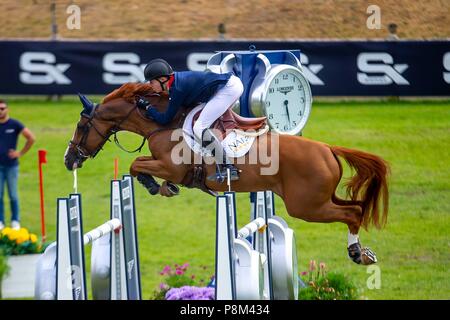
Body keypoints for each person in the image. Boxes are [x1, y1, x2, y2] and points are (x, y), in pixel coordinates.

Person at [139, 58, 244, 183]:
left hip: (229, 89)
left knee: (199, 128)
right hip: (225, 86)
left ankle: (228, 167)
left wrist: (148, 108)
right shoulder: (175, 83)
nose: (150, 85)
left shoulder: (177, 89)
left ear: (162, 79)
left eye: (151, 82)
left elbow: (165, 120)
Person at [0, 100, 35, 230]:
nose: (1, 111)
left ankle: (15, 220)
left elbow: (31, 138)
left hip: (11, 166)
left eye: (3, 108)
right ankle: (0, 221)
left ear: (7, 109)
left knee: (13, 194)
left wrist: (19, 153)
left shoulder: (14, 124)